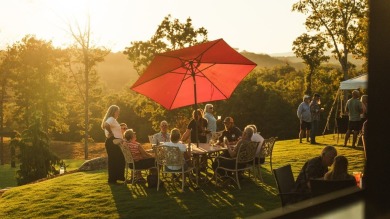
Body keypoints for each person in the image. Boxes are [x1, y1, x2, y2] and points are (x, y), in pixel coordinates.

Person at [101, 105, 125, 184]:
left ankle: (116, 178)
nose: (118, 113)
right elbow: (106, 125)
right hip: (112, 142)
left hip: (114, 142)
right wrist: (111, 133)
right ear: (114, 112)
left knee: (117, 159)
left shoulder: (113, 120)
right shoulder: (111, 119)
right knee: (115, 160)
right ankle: (112, 179)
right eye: (117, 111)